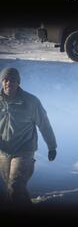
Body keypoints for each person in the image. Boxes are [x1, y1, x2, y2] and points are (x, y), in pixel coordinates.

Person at [0, 67, 57, 206]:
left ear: (18, 82)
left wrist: (52, 146)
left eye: (12, 80)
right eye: (6, 80)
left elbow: (44, 125)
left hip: (24, 150)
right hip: (3, 151)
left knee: (16, 185)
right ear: (2, 82)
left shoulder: (31, 101)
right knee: (9, 188)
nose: (9, 83)